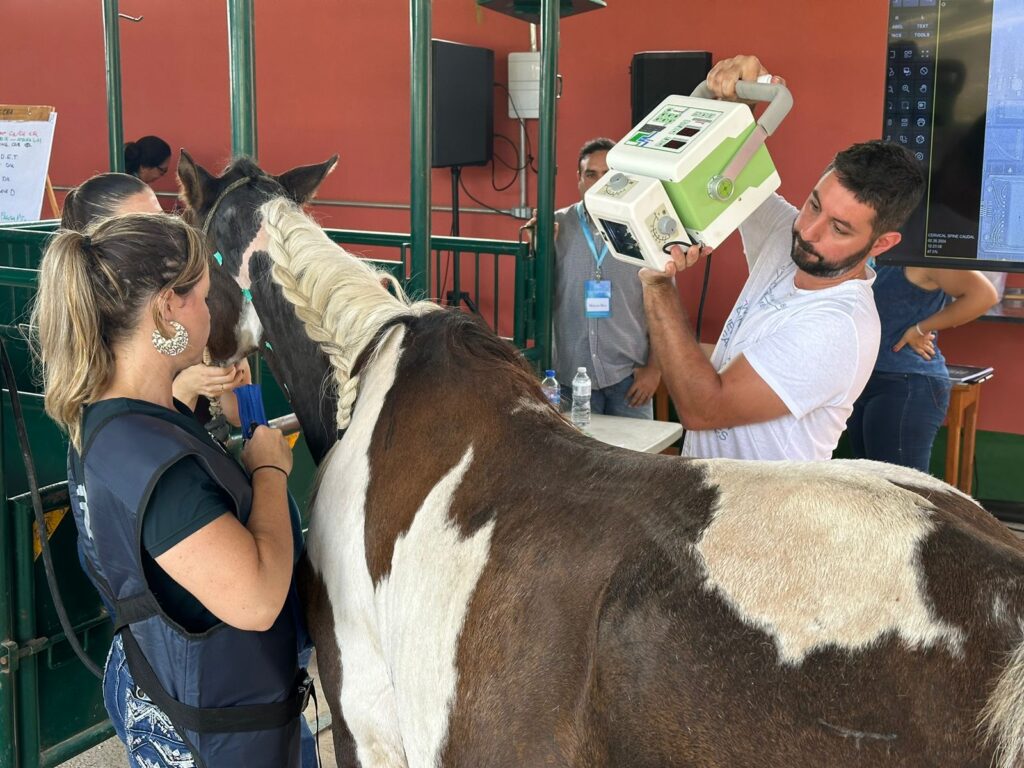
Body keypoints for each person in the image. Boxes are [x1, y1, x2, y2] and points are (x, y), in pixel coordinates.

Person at [31, 213, 309, 767]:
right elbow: (255, 599)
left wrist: (198, 403)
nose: (211, 313)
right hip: (222, 731)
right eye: (203, 297)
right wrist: (268, 473)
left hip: (182, 692)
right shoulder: (151, 462)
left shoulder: (109, 419)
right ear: (165, 309)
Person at [640, 54, 925, 461]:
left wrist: (658, 283)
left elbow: (704, 409)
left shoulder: (839, 327)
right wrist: (736, 92)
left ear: (881, 244)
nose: (808, 231)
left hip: (764, 519)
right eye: (813, 205)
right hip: (711, 497)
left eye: (839, 229)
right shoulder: (786, 234)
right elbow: (723, 171)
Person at [62, 172, 248, 428]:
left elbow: (245, 415)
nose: (162, 235)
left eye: (161, 219)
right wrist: (185, 389)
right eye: (139, 227)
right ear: (102, 247)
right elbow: (144, 440)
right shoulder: (89, 327)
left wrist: (228, 359)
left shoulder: (190, 299)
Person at [548, 137, 660, 418]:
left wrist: (654, 370)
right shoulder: (556, 226)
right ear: (579, 179)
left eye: (609, 175)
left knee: (637, 461)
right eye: (591, 174)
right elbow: (535, 297)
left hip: (630, 380)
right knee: (574, 462)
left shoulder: (644, 229)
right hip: (569, 380)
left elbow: (661, 307)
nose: (599, 182)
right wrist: (539, 248)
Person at [847, 265, 998, 472]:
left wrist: (920, 328)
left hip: (907, 382)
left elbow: (984, 295)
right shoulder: (870, 254)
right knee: (871, 487)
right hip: (862, 379)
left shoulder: (921, 257)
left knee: (903, 491)